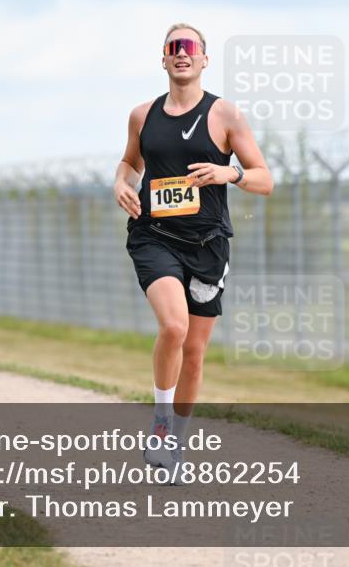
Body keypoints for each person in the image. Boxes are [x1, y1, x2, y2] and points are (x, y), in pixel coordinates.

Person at [114, 24, 273, 475]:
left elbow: (265, 179)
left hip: (207, 244)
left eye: (190, 47)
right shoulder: (142, 116)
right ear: (163, 59)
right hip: (153, 236)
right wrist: (119, 182)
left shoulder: (225, 115)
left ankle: (173, 447)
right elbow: (129, 162)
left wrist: (231, 175)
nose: (181, 54)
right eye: (173, 47)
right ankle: (160, 425)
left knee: (195, 353)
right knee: (173, 327)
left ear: (204, 59)